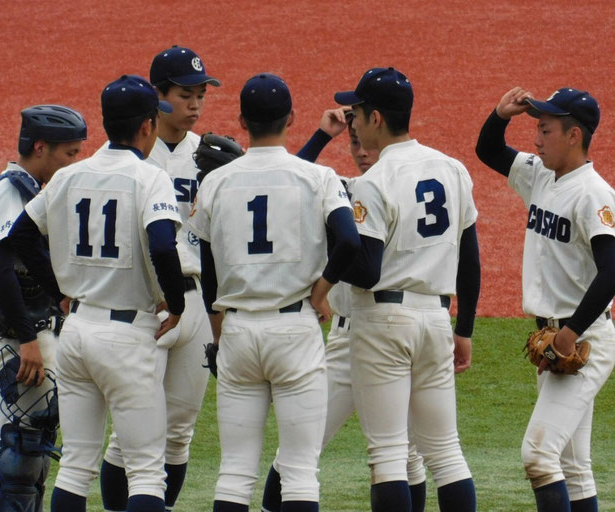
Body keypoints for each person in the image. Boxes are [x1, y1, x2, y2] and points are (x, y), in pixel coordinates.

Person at [7, 74, 186, 512]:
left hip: (77, 332)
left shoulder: (69, 175)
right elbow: (163, 244)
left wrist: (58, 292)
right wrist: (176, 303)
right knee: (146, 470)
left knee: (75, 466)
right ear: (147, 126)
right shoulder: (150, 177)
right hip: (127, 337)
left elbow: (20, 236)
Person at [188, 72, 360, 512]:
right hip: (294, 329)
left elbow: (208, 268)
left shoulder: (216, 182)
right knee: (301, 471)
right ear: (292, 118)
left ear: (242, 122)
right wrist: (321, 292)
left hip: (239, 332)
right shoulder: (318, 177)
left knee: (234, 473)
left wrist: (216, 327)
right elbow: (349, 242)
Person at [261, 109, 428, 512]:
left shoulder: (396, 187)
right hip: (346, 340)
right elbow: (287, 177)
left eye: (363, 140)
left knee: (407, 455)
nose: (361, 150)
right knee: (299, 450)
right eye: (352, 143)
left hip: (390, 334)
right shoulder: (337, 189)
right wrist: (322, 135)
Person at [335, 67, 480, 512]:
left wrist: (328, 262)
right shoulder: (451, 168)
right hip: (437, 319)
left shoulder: (374, 180)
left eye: (357, 113)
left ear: (376, 118)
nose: (353, 123)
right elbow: (470, 259)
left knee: (389, 455)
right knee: (446, 452)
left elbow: (366, 270)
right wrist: (465, 328)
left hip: (384, 323)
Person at [476, 86, 615, 512]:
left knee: (538, 455)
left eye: (544, 129)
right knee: (574, 468)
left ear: (574, 135)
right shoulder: (540, 173)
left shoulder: (593, 193)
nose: (535, 139)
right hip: (554, 343)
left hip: (583, 339)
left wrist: (569, 335)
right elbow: (489, 150)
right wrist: (500, 114)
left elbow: (612, 269)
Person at [99, 46, 221, 512]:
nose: (194, 104)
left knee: (178, 432)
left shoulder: (210, 153)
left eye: (200, 95)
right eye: (185, 95)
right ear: (158, 98)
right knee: (128, 437)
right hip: (144, 301)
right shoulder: (127, 155)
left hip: (192, 303)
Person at [0, 104, 86, 512]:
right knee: (20, 455)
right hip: (19, 342)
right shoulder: (11, 191)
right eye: (69, 153)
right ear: (40, 147)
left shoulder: (26, 188)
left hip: (31, 334)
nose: (74, 162)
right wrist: (26, 334)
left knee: (32, 455)